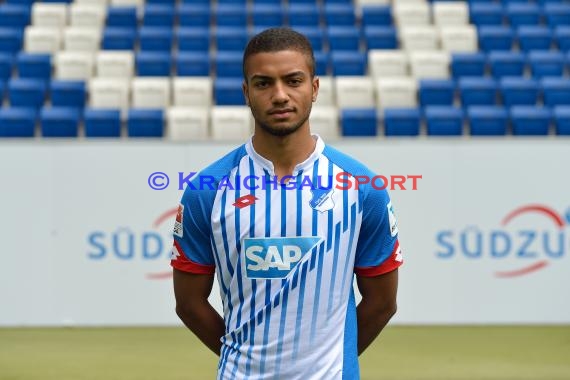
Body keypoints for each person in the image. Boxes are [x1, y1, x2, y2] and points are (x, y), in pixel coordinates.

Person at [171, 27, 402, 379]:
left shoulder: (362, 187)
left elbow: (383, 302)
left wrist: (337, 363)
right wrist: (241, 357)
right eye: (264, 83)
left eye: (293, 81)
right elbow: (188, 304)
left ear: (314, 87)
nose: (280, 95)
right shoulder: (207, 189)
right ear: (247, 92)